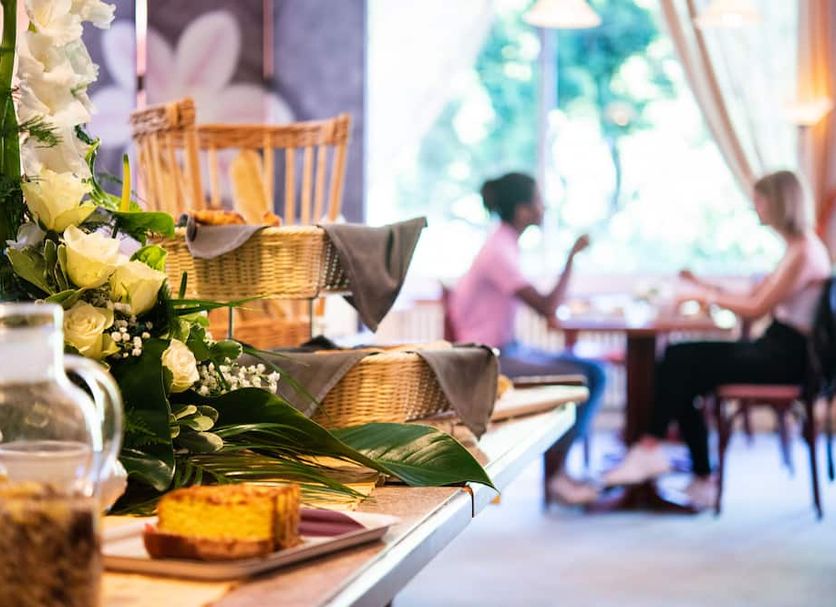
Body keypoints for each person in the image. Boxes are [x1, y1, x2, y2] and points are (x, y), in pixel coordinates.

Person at [603, 170, 832, 508]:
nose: (756, 207)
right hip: (777, 347)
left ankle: (654, 449)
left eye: (760, 200)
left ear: (778, 202)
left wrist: (703, 296)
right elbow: (754, 296)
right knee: (680, 366)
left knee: (679, 361)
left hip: (786, 358)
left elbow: (755, 309)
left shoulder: (804, 253)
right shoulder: (798, 249)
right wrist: (703, 285)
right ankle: (693, 472)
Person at [449, 172, 606, 505]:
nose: (543, 207)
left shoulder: (504, 243)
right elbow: (547, 307)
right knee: (589, 375)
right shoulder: (499, 251)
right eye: (537, 200)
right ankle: (557, 476)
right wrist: (572, 256)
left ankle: (559, 472)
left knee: (590, 370)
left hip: (504, 349)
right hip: (488, 359)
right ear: (522, 210)